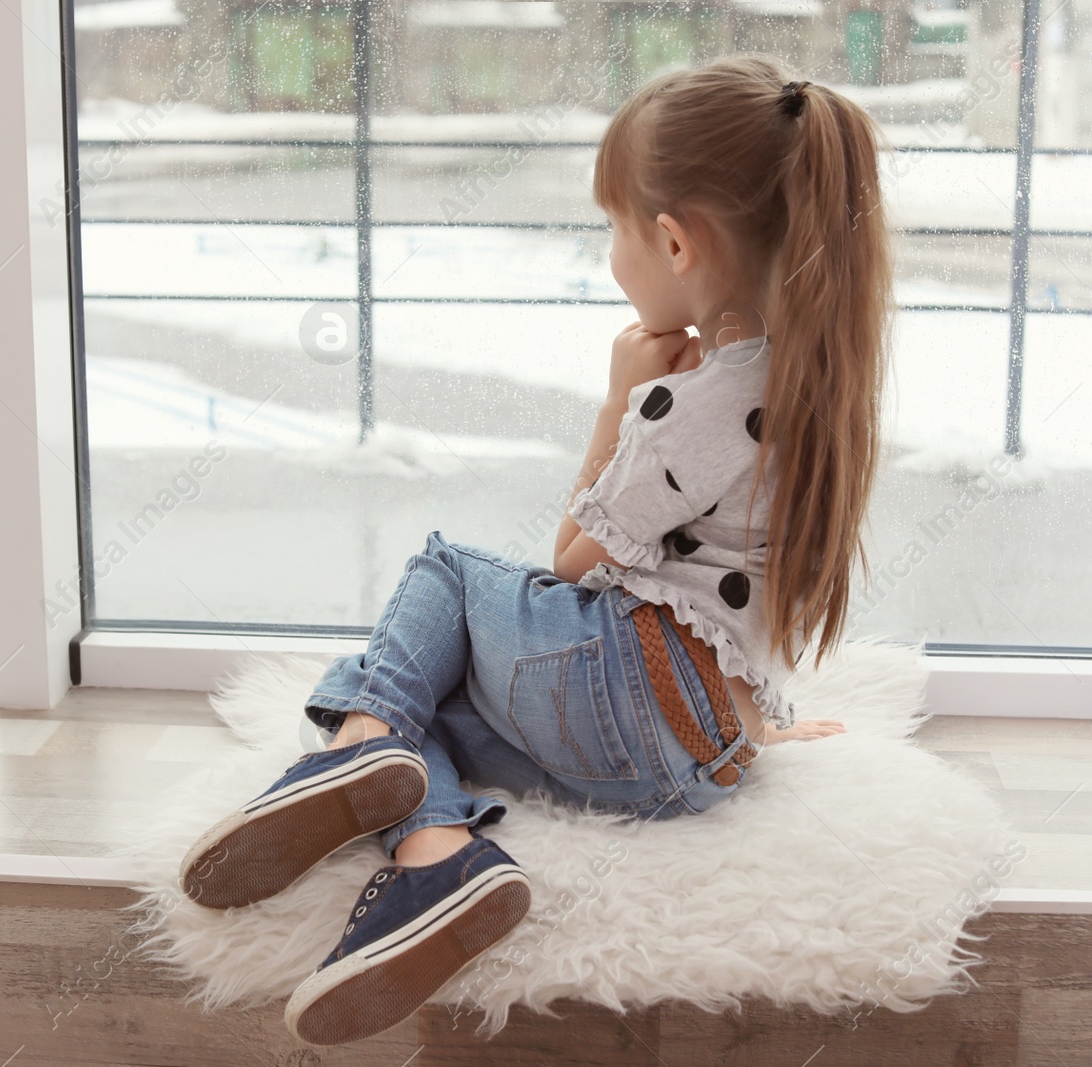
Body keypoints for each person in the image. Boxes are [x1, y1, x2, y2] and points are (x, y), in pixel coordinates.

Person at [177, 52, 896, 1047]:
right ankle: (435, 853)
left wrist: (617, 400)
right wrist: (752, 715)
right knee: (419, 696)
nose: (612, 252)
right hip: (693, 755)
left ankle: (353, 755)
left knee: (446, 570)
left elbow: (572, 556)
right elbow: (740, 589)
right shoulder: (820, 384)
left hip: (633, 687)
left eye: (615, 229)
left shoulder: (696, 398)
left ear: (674, 241)